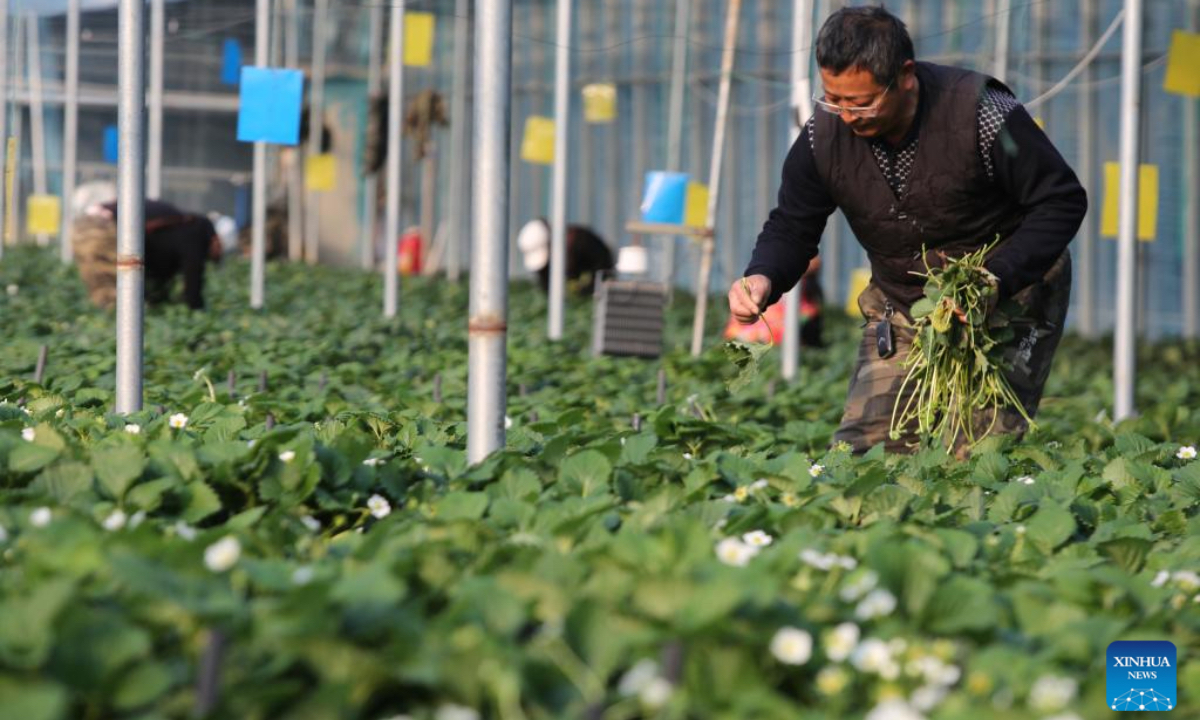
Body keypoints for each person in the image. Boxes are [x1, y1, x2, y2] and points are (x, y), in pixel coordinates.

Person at [729, 6, 1087, 454]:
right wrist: (763, 274)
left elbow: (1060, 200)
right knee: (867, 451)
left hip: (1010, 294)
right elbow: (792, 225)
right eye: (833, 98)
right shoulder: (823, 136)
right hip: (905, 302)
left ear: (906, 76)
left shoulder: (982, 113)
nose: (846, 115)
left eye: (861, 102)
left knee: (976, 452)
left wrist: (996, 278)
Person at [73, 197, 221, 310]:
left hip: (90, 226)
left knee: (102, 282)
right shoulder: (193, 233)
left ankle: (108, 313)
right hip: (106, 231)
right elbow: (192, 286)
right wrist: (197, 310)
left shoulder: (180, 222)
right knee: (118, 286)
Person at [517, 219, 616, 296]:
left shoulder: (583, 242)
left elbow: (605, 270)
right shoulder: (543, 265)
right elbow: (546, 285)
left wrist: (586, 289)